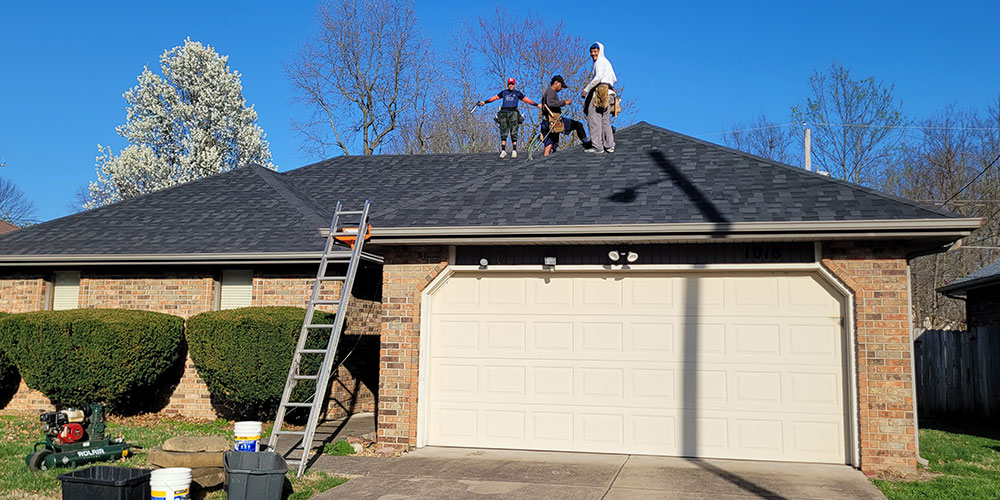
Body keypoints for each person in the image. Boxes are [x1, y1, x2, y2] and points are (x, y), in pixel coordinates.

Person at [478, 77, 540, 158]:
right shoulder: (504, 92)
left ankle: (514, 150)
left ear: (514, 85)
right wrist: (485, 102)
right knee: (503, 132)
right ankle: (503, 151)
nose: (511, 85)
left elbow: (526, 99)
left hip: (513, 112)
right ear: (508, 85)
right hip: (504, 113)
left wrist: (536, 104)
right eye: (510, 84)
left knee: (514, 132)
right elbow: (495, 97)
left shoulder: (517, 93)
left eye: (512, 84)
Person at [539, 75, 591, 157]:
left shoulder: (548, 92)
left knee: (549, 145)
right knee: (578, 125)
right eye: (561, 86)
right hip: (553, 120)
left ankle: (546, 163)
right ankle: (586, 143)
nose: (561, 88)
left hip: (547, 122)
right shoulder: (550, 92)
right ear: (556, 83)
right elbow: (550, 103)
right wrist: (564, 103)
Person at [581, 42, 617, 153]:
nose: (593, 54)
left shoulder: (600, 62)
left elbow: (598, 78)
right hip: (609, 95)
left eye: (595, 51)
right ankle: (609, 145)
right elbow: (614, 79)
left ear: (600, 51)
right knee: (605, 120)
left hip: (599, 94)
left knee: (594, 119)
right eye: (591, 52)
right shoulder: (607, 62)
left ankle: (597, 146)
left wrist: (586, 90)